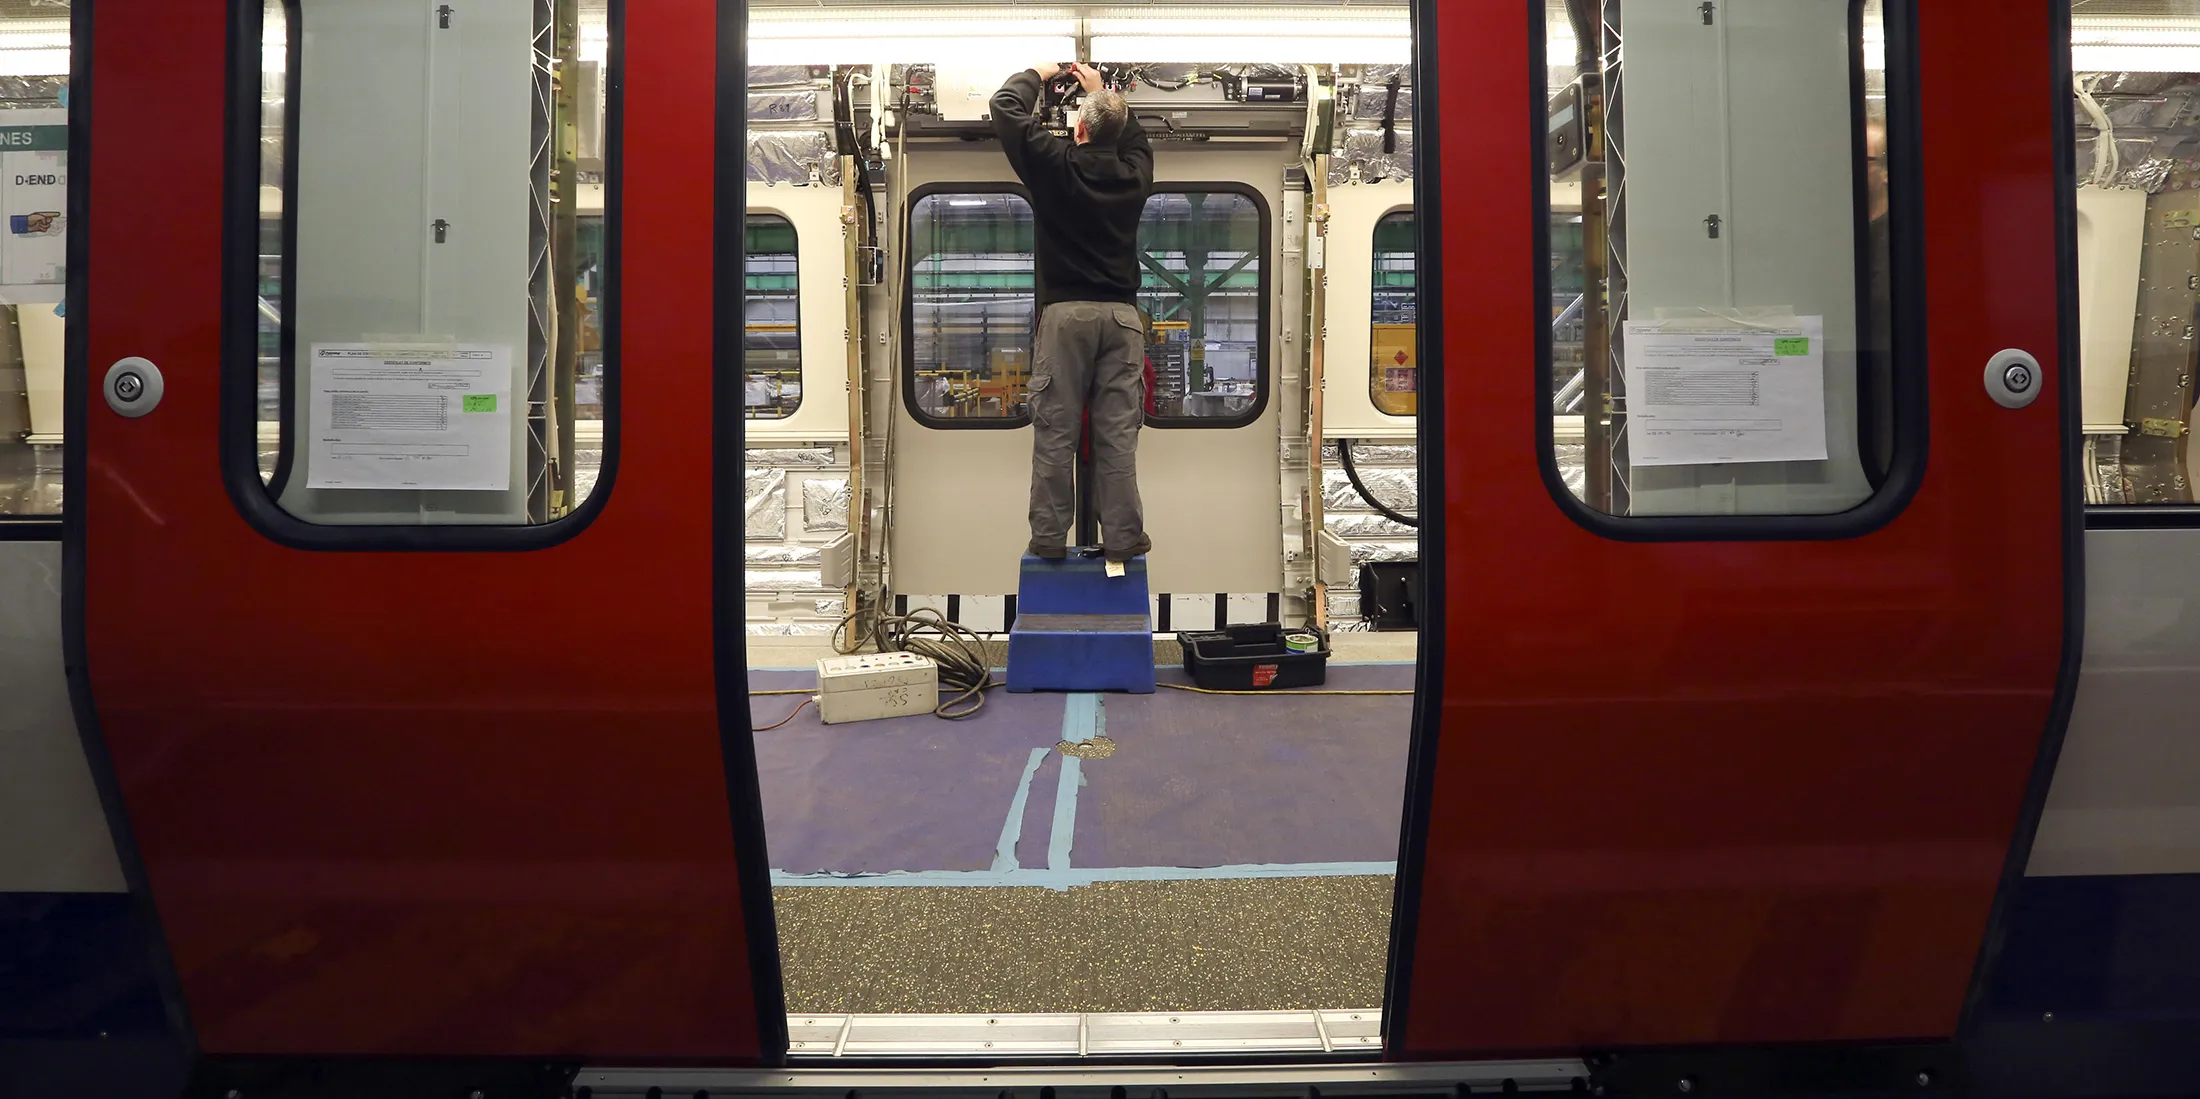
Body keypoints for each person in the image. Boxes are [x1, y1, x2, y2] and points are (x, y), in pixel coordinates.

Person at [990, 62, 1155, 563]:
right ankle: (1123, 537)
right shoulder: (1135, 174)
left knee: (1056, 433)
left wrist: (1037, 73)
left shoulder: (1054, 164)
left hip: (1065, 317)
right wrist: (1104, 93)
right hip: (1123, 319)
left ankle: (1048, 538)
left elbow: (1004, 107)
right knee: (1116, 437)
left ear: (1078, 129)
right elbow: (1133, 138)